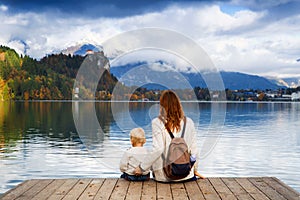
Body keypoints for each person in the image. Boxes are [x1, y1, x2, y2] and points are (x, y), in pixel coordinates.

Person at [136, 90, 205, 182]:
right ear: (178, 105)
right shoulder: (189, 122)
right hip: (186, 175)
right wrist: (194, 170)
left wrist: (142, 168)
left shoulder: (157, 123)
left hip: (164, 177)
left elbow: (157, 150)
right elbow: (194, 151)